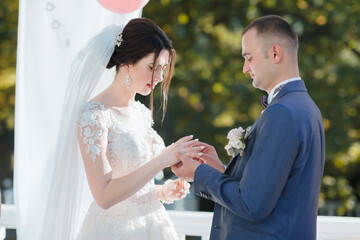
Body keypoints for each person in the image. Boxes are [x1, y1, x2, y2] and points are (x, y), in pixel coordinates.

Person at [40, 18, 198, 240]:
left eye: (162, 69)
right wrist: (162, 160)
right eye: (152, 68)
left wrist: (162, 191)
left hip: (153, 226)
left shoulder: (141, 112)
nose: (159, 78)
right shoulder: (94, 115)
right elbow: (104, 196)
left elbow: (133, 186)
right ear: (126, 63)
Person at [172, 15, 325, 240]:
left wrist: (199, 173)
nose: (245, 69)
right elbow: (269, 190)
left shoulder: (282, 112)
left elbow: (252, 205)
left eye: (249, 58)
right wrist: (221, 170)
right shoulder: (306, 107)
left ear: (275, 53)